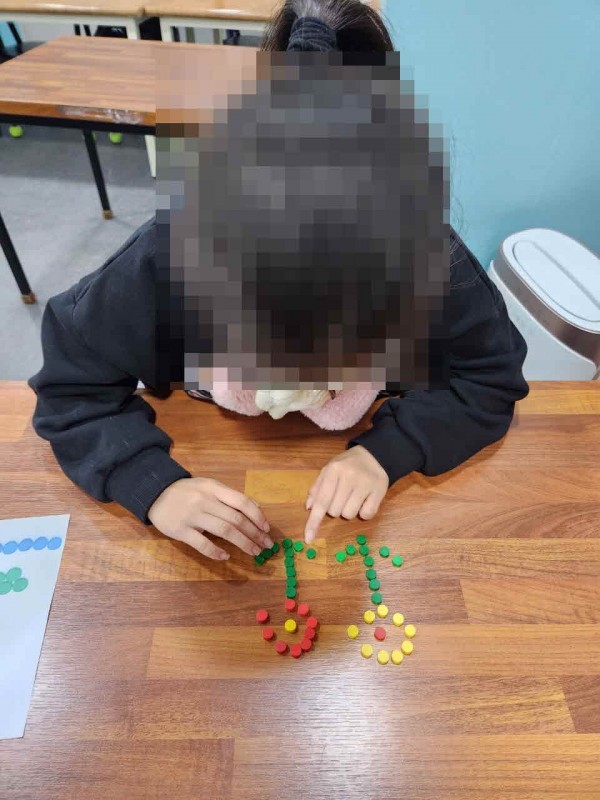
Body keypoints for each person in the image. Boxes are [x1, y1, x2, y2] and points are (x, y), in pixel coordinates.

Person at [28, 0, 529, 561]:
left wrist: (385, 452)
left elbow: (489, 376)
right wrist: (152, 483)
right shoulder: (167, 256)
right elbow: (72, 389)